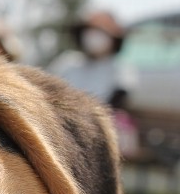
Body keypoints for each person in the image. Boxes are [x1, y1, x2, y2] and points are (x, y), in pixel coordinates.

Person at [47, 11, 140, 157]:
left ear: (113, 38)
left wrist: (89, 118)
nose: (93, 36)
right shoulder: (67, 62)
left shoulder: (120, 69)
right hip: (63, 126)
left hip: (100, 131)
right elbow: (48, 91)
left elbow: (119, 98)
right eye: (90, 30)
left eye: (101, 32)